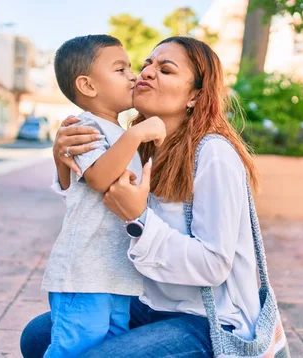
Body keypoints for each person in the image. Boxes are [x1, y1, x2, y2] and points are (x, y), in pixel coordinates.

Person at [21, 36, 262, 357]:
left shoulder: (213, 154)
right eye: (147, 64)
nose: (145, 72)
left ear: (195, 95)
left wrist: (140, 220)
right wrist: (64, 160)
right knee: (36, 336)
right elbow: (99, 212)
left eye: (166, 69)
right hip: (150, 302)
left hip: (207, 319)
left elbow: (213, 266)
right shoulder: (138, 144)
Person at [41, 34, 166, 358]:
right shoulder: (84, 127)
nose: (134, 76)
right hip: (84, 271)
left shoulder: (118, 131)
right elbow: (98, 177)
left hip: (115, 273)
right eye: (120, 70)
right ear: (88, 85)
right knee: (74, 347)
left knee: (109, 344)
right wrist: (138, 134)